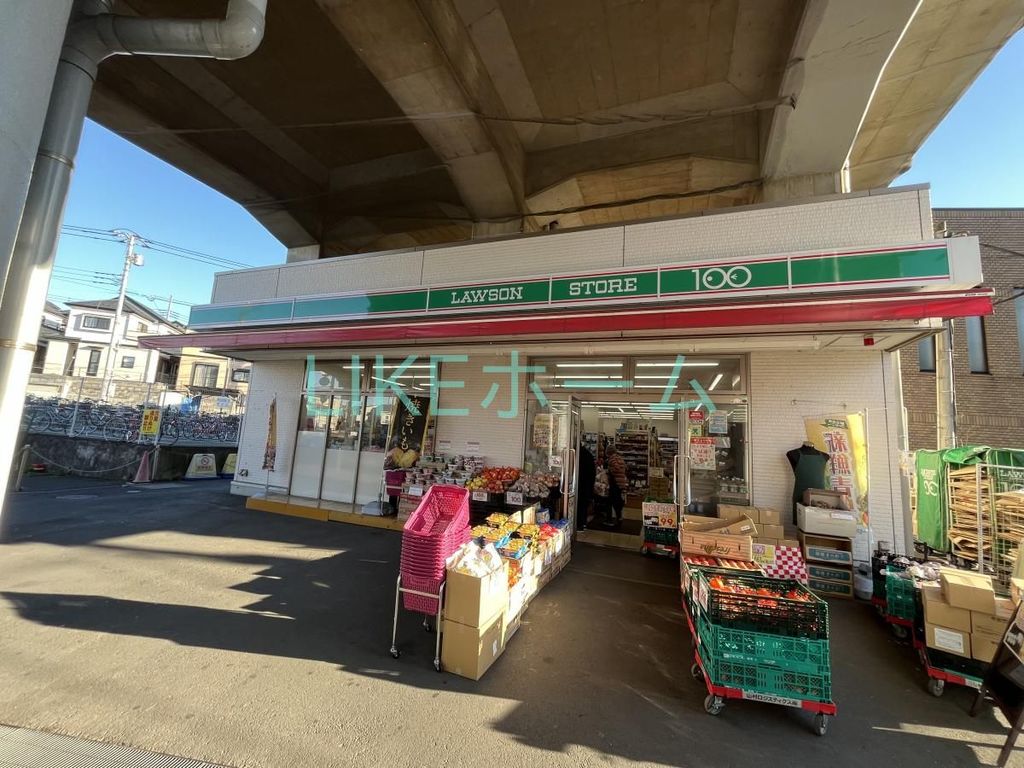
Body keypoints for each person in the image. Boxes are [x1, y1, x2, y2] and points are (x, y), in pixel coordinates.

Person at [605, 444, 628, 525]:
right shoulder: (620, 458)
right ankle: (619, 517)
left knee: (609, 501)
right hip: (621, 482)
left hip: (615, 482)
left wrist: (610, 470)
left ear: (609, 452)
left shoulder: (612, 459)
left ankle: (609, 520)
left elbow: (616, 468)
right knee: (617, 501)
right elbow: (624, 468)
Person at [576, 444, 596, 531]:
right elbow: (593, 472)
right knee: (583, 505)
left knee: (579, 504)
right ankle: (583, 523)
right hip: (587, 485)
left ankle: (579, 524)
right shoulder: (588, 454)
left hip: (579, 484)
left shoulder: (577, 454)